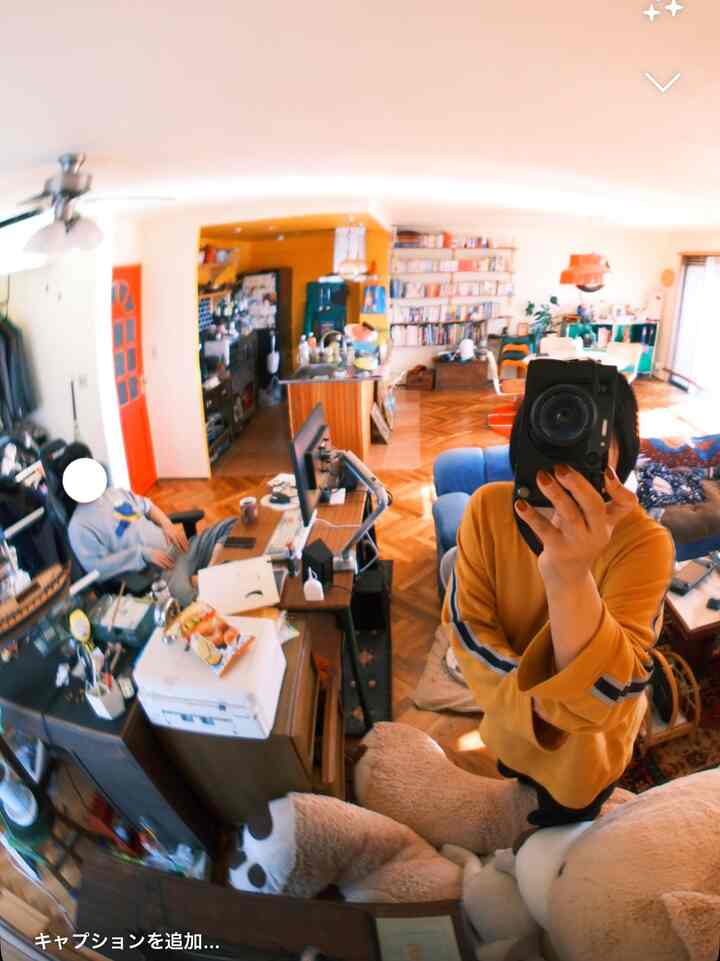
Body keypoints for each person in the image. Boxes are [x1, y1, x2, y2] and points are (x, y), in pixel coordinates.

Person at [442, 371, 674, 832]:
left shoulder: (644, 543)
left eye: (588, 428)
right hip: (510, 730)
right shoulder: (487, 511)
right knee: (514, 781)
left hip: (585, 759)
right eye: (553, 420)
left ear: (620, 452)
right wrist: (554, 701)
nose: (566, 440)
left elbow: (611, 693)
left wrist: (569, 577)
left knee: (567, 818)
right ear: (524, 435)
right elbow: (467, 631)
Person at [63, 445, 237, 607]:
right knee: (188, 602)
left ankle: (207, 576)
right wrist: (142, 554)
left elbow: (148, 506)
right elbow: (98, 568)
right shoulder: (79, 527)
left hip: (183, 547)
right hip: (163, 569)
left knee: (232, 525)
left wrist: (166, 523)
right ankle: (209, 579)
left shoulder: (115, 493)